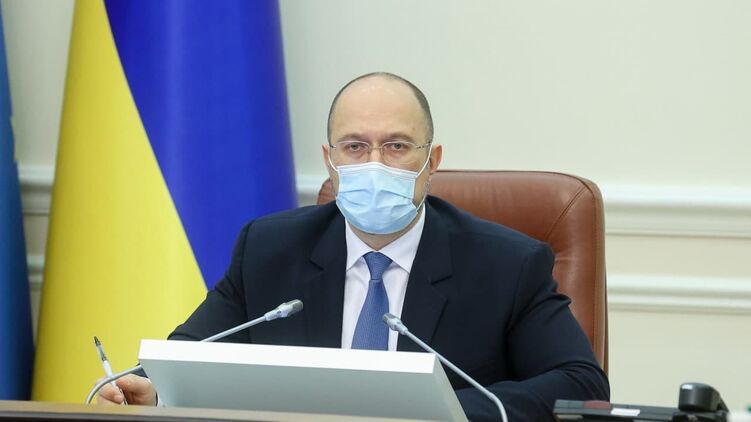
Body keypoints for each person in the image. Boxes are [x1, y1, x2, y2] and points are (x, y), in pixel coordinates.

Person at [97, 72, 609, 421]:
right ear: (330, 159)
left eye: (397, 146)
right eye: (355, 146)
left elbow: (581, 384)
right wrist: (152, 388)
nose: (374, 163)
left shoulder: (506, 264)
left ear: (432, 162)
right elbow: (190, 354)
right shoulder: (269, 249)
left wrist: (442, 412)